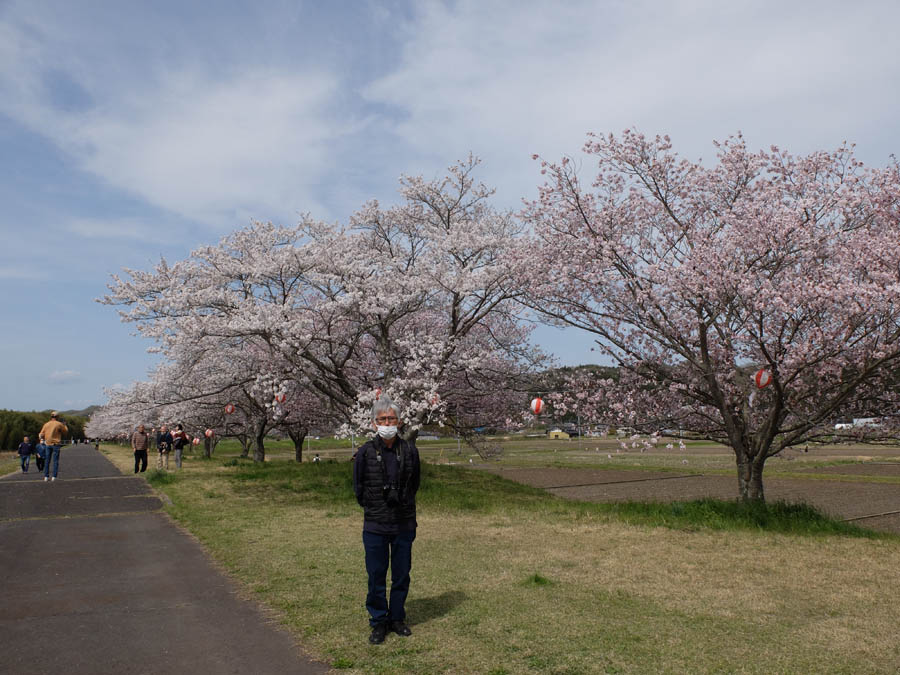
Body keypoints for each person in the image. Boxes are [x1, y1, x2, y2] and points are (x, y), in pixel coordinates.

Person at [352, 396, 421, 645]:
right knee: (376, 574)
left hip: (403, 522)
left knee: (401, 574)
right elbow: (358, 488)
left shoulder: (410, 451)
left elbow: (415, 484)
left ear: (399, 422)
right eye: (382, 419)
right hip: (375, 525)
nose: (387, 422)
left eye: (391, 418)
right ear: (374, 423)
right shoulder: (366, 452)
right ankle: (379, 620)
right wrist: (374, 506)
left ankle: (397, 618)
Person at [39, 411, 68, 482]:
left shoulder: (46, 424)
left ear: (51, 416)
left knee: (47, 461)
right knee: (55, 461)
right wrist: (65, 425)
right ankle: (54, 477)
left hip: (48, 444)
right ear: (57, 417)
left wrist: (42, 440)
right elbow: (65, 432)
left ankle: (46, 476)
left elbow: (40, 434)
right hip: (56, 444)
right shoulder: (59, 424)